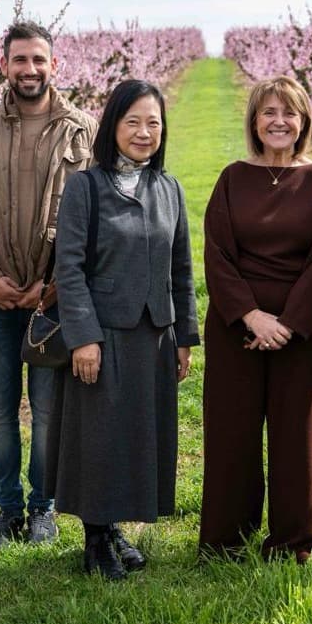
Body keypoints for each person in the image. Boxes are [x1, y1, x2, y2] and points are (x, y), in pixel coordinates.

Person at [0, 21, 98, 551]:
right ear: (4, 65)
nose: (29, 70)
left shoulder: (82, 132)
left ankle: (44, 508)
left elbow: (94, 216)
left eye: (38, 59)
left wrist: (57, 284)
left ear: (52, 64)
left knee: (48, 410)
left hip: (51, 300)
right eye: (19, 60)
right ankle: (7, 510)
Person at [46, 79, 199, 580]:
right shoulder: (86, 187)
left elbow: (181, 269)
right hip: (103, 335)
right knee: (99, 438)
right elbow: (68, 268)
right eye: (132, 121)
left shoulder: (168, 188)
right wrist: (83, 336)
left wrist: (184, 337)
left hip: (154, 335)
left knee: (135, 435)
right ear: (112, 126)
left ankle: (114, 529)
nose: (143, 132)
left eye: (153, 122)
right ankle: (95, 539)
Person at [197, 76, 312, 564]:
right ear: (254, 122)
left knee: (295, 437)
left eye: (289, 113)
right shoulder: (232, 178)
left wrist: (289, 323)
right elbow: (216, 254)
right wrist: (251, 316)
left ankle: (291, 543)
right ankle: (225, 541)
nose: (279, 122)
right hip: (235, 327)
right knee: (230, 433)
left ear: (303, 122)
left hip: (298, 331)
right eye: (269, 113)